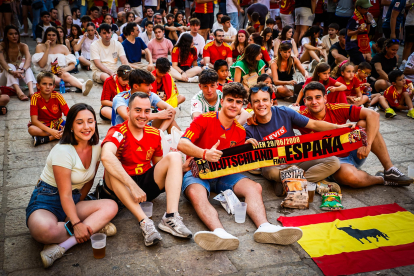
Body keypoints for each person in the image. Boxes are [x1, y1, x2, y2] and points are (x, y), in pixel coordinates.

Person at [178, 82, 302, 251]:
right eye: (230, 100)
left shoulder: (240, 131)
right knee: (195, 192)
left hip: (225, 173)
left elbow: (237, 158)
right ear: (222, 101)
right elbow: (182, 144)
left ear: (243, 105)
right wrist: (204, 153)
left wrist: (246, 147)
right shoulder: (203, 120)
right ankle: (219, 233)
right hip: (199, 170)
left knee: (254, 187)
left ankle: (265, 227)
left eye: (238, 102)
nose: (234, 105)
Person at [26, 102, 118, 268]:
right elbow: (64, 194)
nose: (86, 127)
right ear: (70, 126)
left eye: (90, 121)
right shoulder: (63, 151)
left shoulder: (97, 147)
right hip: (48, 199)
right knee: (43, 231)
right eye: (79, 122)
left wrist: (74, 210)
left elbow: (89, 181)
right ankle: (92, 227)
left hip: (74, 198)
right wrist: (75, 223)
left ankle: (62, 246)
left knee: (111, 206)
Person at [100, 92, 191, 247]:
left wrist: (179, 169)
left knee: (174, 157)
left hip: (144, 187)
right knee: (111, 165)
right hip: (120, 188)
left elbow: (159, 165)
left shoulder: (154, 134)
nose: (143, 115)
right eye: (138, 110)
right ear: (128, 112)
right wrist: (132, 187)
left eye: (147, 111)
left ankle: (170, 217)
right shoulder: (118, 131)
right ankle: (145, 222)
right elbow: (106, 157)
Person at [299, 81, 413, 187]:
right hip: (334, 163)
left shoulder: (335, 108)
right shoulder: (300, 116)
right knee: (349, 177)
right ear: (304, 101)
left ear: (325, 98)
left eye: (318, 97)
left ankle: (390, 170)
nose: (314, 102)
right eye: (309, 99)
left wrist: (366, 144)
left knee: (364, 123)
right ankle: (382, 179)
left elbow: (374, 115)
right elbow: (282, 120)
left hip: (356, 151)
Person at [245, 82, 347, 196]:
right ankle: (312, 183)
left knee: (333, 162)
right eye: (256, 101)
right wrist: (246, 145)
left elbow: (313, 124)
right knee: (270, 171)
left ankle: (288, 184)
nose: (261, 104)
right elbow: (243, 157)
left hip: (297, 157)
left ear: (271, 101)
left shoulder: (284, 112)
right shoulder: (248, 128)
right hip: (274, 165)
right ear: (250, 105)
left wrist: (338, 127)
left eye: (264, 100)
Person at [112, 69, 178, 132]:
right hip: (123, 133)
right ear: (135, 86)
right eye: (147, 85)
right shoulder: (120, 98)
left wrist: (160, 132)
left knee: (169, 116)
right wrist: (158, 115)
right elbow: (127, 117)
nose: (151, 88)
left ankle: (164, 136)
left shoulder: (150, 95)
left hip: (142, 129)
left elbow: (172, 110)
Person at [33, 27, 93, 96]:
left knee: (66, 74)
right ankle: (75, 82)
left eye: (53, 35)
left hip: (59, 72)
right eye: (49, 35)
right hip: (45, 73)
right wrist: (47, 48)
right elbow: (41, 65)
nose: (51, 37)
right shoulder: (40, 46)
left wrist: (64, 69)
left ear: (57, 36)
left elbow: (72, 64)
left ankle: (82, 87)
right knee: (57, 80)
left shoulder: (63, 47)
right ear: (46, 36)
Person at [28, 72, 68, 146]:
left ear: (53, 87)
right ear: (38, 86)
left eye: (50, 84)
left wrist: (65, 127)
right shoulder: (35, 97)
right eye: (44, 84)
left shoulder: (58, 96)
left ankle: (46, 138)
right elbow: (34, 120)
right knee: (31, 129)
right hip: (43, 125)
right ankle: (59, 135)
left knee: (75, 126)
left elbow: (69, 114)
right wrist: (51, 131)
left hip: (57, 123)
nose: (47, 87)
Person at [0, 25, 36, 100]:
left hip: (18, 77)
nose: (14, 36)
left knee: (24, 65)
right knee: (10, 65)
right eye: (11, 34)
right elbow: (2, 62)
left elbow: (28, 60)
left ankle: (31, 92)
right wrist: (12, 71)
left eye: (16, 34)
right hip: (4, 78)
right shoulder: (2, 46)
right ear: (6, 36)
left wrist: (23, 70)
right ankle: (19, 92)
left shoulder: (23, 46)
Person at [345, 0, 372, 65]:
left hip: (359, 45)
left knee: (355, 64)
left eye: (368, 8)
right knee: (362, 64)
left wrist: (368, 22)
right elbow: (348, 33)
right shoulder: (354, 19)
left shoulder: (363, 17)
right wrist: (358, 31)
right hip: (352, 46)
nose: (367, 10)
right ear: (359, 8)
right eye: (365, 9)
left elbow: (367, 31)